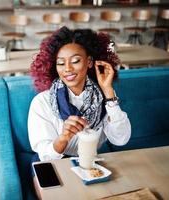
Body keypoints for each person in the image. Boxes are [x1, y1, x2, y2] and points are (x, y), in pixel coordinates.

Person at [28, 26, 131, 198]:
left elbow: (120, 139)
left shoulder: (103, 97)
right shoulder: (42, 102)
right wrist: (63, 138)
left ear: (89, 62)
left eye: (75, 61)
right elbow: (45, 155)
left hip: (89, 163)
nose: (67, 68)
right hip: (51, 165)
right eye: (61, 63)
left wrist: (108, 91)